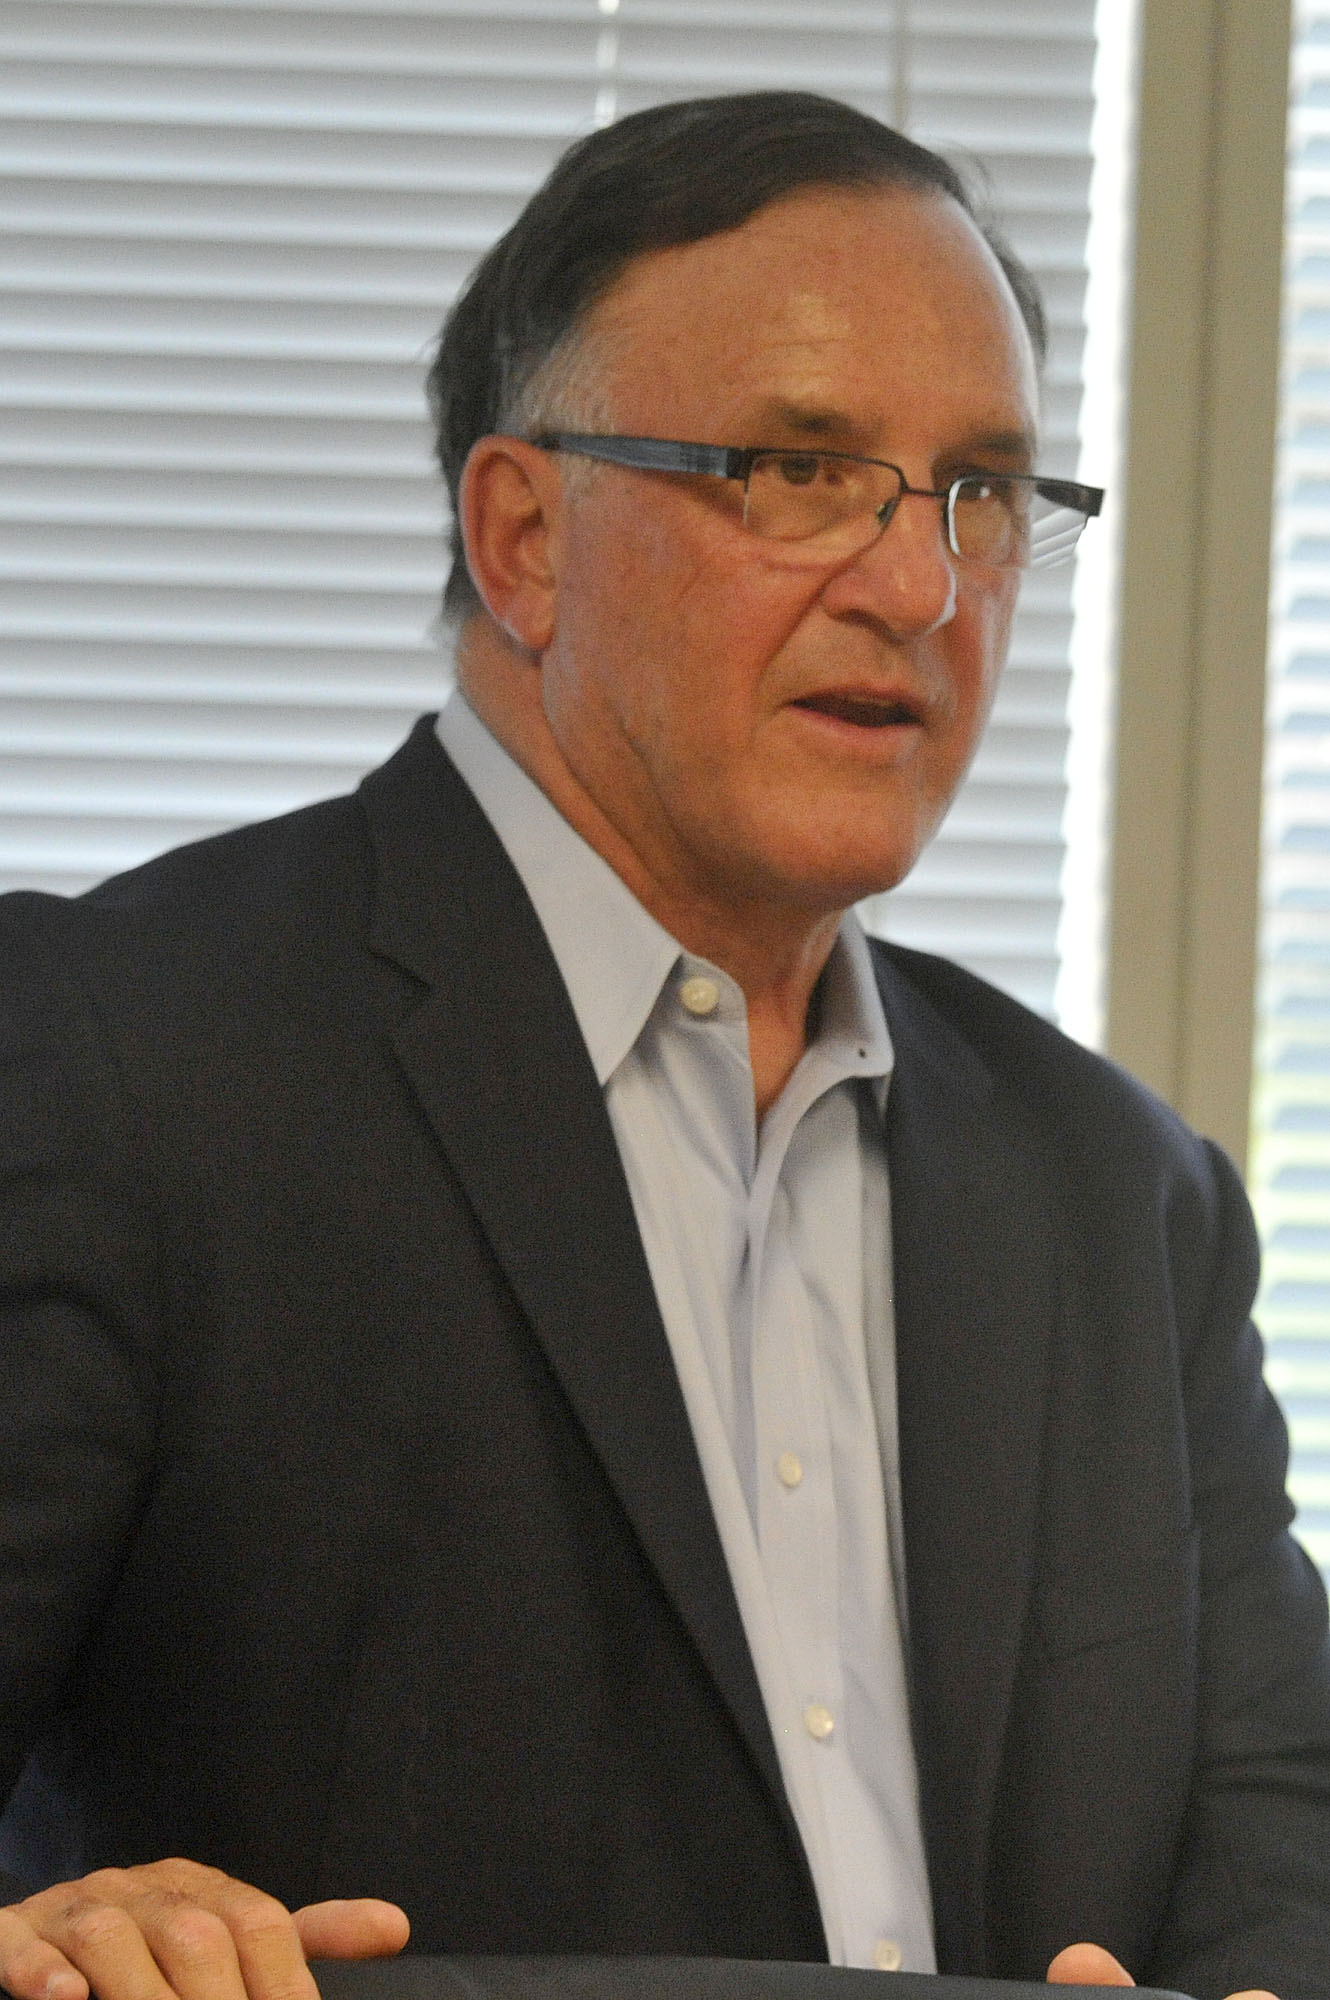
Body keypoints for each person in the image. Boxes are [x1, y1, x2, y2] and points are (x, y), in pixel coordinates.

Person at [1, 88, 1327, 2000]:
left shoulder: (1124, 1191)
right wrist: (49, 1942)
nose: (919, 588)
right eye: (797, 472)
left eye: (978, 493)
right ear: (524, 536)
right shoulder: (109, 1061)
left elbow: (1276, 1845)